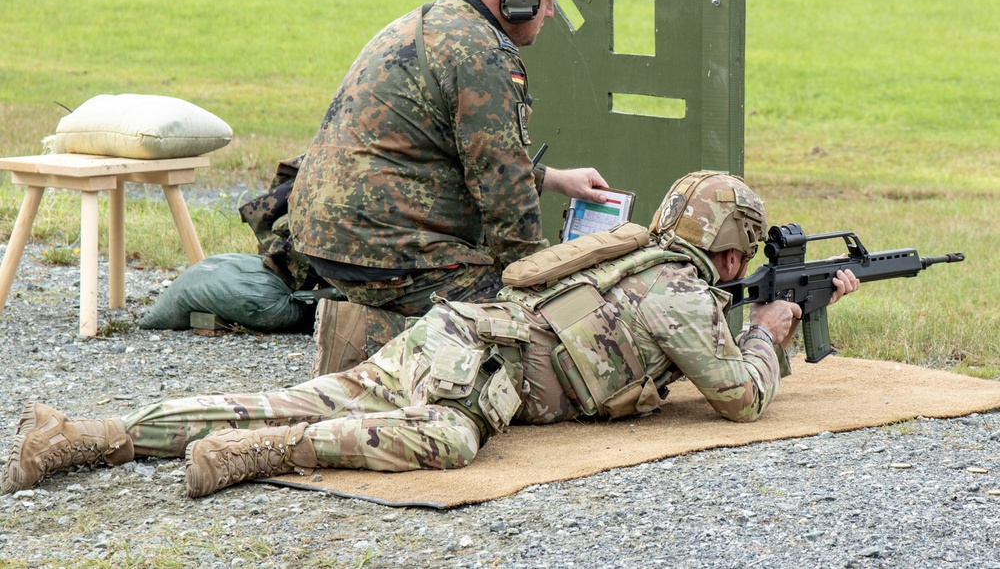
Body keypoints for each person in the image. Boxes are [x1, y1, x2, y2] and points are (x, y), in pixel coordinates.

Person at [1, 171, 860, 499]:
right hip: (488, 366)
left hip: (451, 329)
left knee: (282, 393)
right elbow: (741, 400)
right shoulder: (683, 296)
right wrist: (774, 331)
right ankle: (264, 453)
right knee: (443, 440)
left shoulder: (625, 254)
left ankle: (87, 437)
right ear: (732, 245)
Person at [286, 0, 609, 319]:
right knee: (533, 322)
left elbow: (462, 149)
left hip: (328, 240)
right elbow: (503, 192)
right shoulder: (481, 55)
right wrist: (545, 282)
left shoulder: (434, 20)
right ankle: (370, 339)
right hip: (384, 256)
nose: (551, 12)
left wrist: (553, 179)